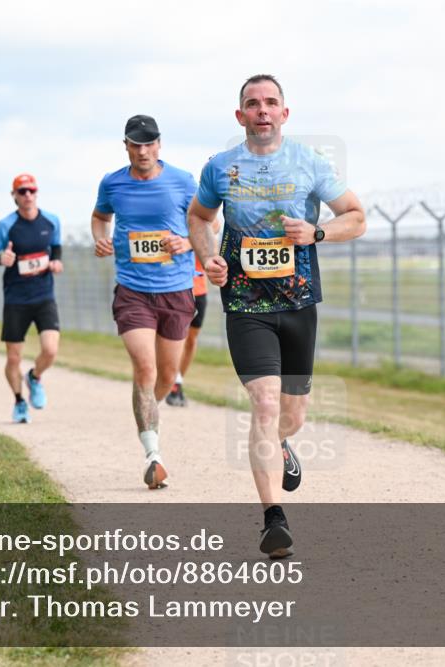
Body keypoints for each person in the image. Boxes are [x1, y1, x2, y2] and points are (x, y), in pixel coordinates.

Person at [188, 74, 366, 557]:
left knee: (291, 415)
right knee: (264, 405)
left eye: (271, 103)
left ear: (284, 114)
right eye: (252, 103)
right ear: (240, 115)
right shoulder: (220, 168)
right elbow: (200, 218)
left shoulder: (310, 162)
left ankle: (281, 445)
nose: (262, 110)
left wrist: (318, 233)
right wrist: (209, 258)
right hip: (246, 304)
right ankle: (273, 520)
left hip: (299, 302)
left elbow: (356, 215)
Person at [92, 115, 197, 489]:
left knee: (167, 376)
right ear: (126, 146)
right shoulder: (113, 182)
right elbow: (100, 217)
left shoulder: (183, 181)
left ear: (159, 144)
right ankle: (152, 453)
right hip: (133, 289)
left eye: (148, 143)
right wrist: (101, 238)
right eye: (135, 144)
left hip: (176, 289)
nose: (142, 150)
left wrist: (187, 241)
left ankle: (149, 415)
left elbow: (205, 221)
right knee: (145, 369)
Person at [0, 174, 63, 424]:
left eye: (31, 191)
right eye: (22, 191)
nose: (27, 195)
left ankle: (35, 377)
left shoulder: (51, 220)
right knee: (13, 357)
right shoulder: (6, 225)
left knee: (50, 350)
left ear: (36, 193)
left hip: (43, 296)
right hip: (16, 298)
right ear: (14, 195)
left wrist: (57, 260)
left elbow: (56, 245)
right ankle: (18, 401)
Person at [165, 249, 218, 407]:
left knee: (191, 339)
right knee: (174, 337)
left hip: (198, 288)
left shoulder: (198, 223)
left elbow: (214, 225)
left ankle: (177, 381)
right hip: (172, 287)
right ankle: (168, 379)